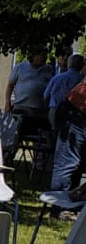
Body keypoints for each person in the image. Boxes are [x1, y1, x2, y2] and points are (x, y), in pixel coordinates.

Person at [47, 53, 86, 192]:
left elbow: (46, 95)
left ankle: (70, 199)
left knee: (75, 162)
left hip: (76, 110)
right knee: (68, 161)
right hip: (76, 111)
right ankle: (59, 200)